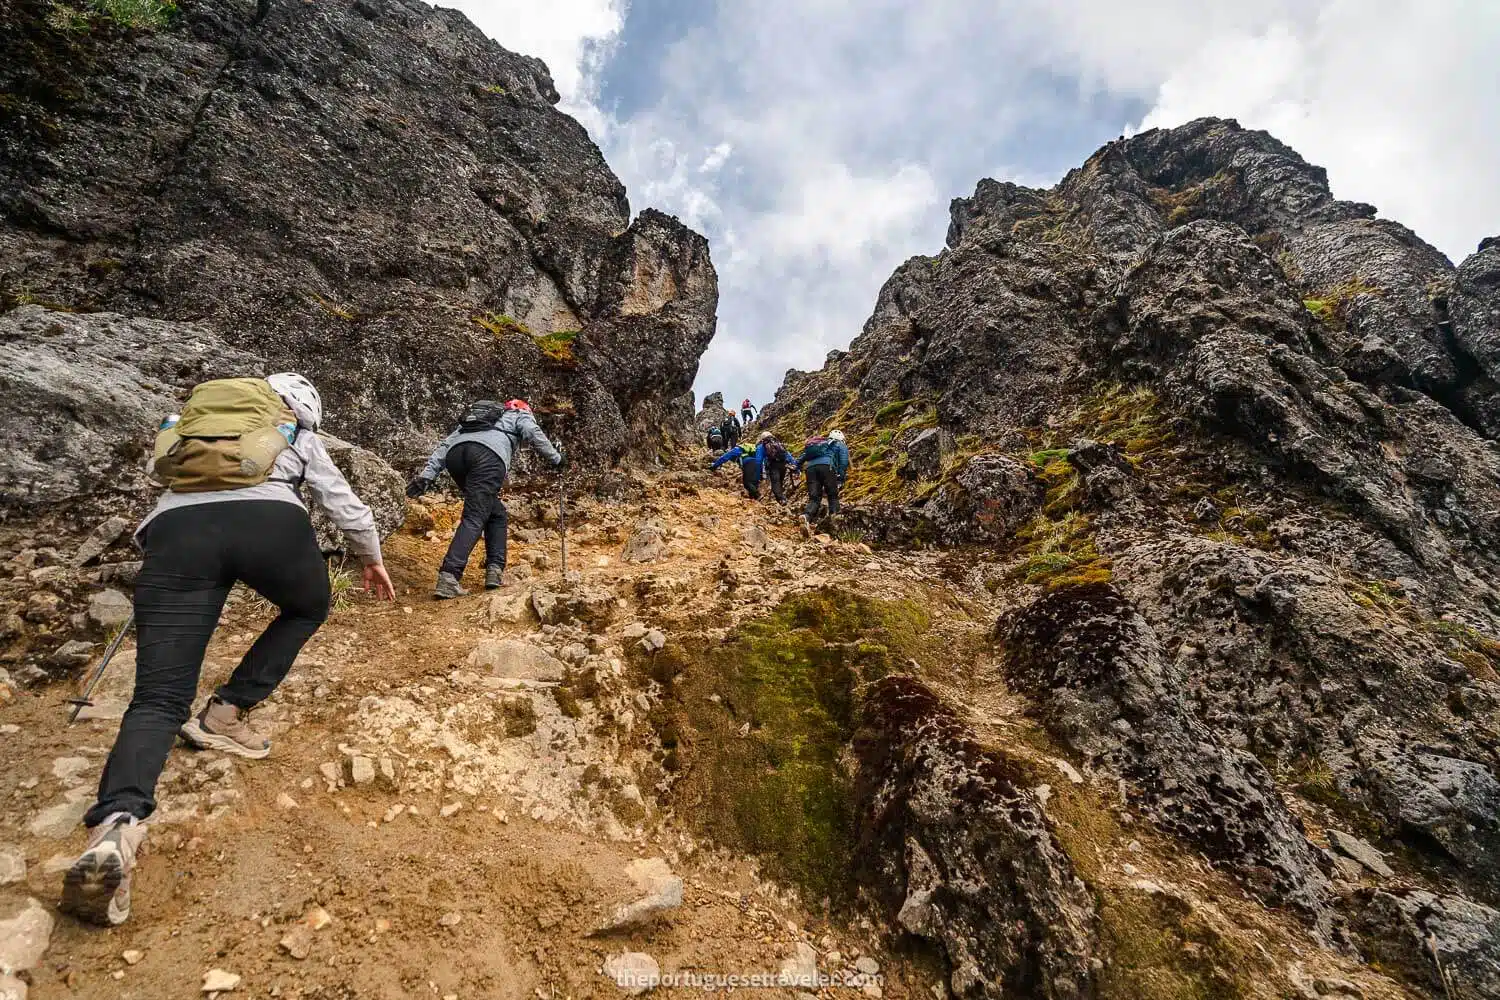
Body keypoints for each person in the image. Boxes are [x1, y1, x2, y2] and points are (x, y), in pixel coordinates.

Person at [62, 374, 395, 927]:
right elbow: (345, 505)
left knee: (157, 698)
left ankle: (116, 823)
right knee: (307, 608)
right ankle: (226, 712)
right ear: (303, 408)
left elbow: (163, 480)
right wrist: (369, 556)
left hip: (177, 533)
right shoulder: (296, 432)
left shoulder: (192, 427)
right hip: (271, 525)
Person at [407, 399, 564, 599]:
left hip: (457, 457)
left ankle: (494, 570)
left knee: (496, 512)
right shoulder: (519, 414)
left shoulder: (477, 420)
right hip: (487, 458)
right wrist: (557, 459)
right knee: (475, 516)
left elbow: (445, 445)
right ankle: (449, 577)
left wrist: (426, 476)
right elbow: (533, 433)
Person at [798, 428, 850, 524]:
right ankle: (834, 518)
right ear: (842, 438)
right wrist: (841, 478)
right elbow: (843, 461)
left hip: (810, 469)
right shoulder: (840, 444)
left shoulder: (821, 444)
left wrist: (797, 466)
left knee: (814, 497)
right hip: (827, 467)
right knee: (832, 495)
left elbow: (803, 456)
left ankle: (806, 516)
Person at [759, 431, 793, 504]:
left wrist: (759, 472)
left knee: (775, 482)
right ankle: (781, 497)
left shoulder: (763, 446)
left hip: (773, 465)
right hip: (783, 464)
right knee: (780, 482)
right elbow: (787, 454)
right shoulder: (778, 443)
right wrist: (794, 464)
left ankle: (781, 499)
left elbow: (759, 460)